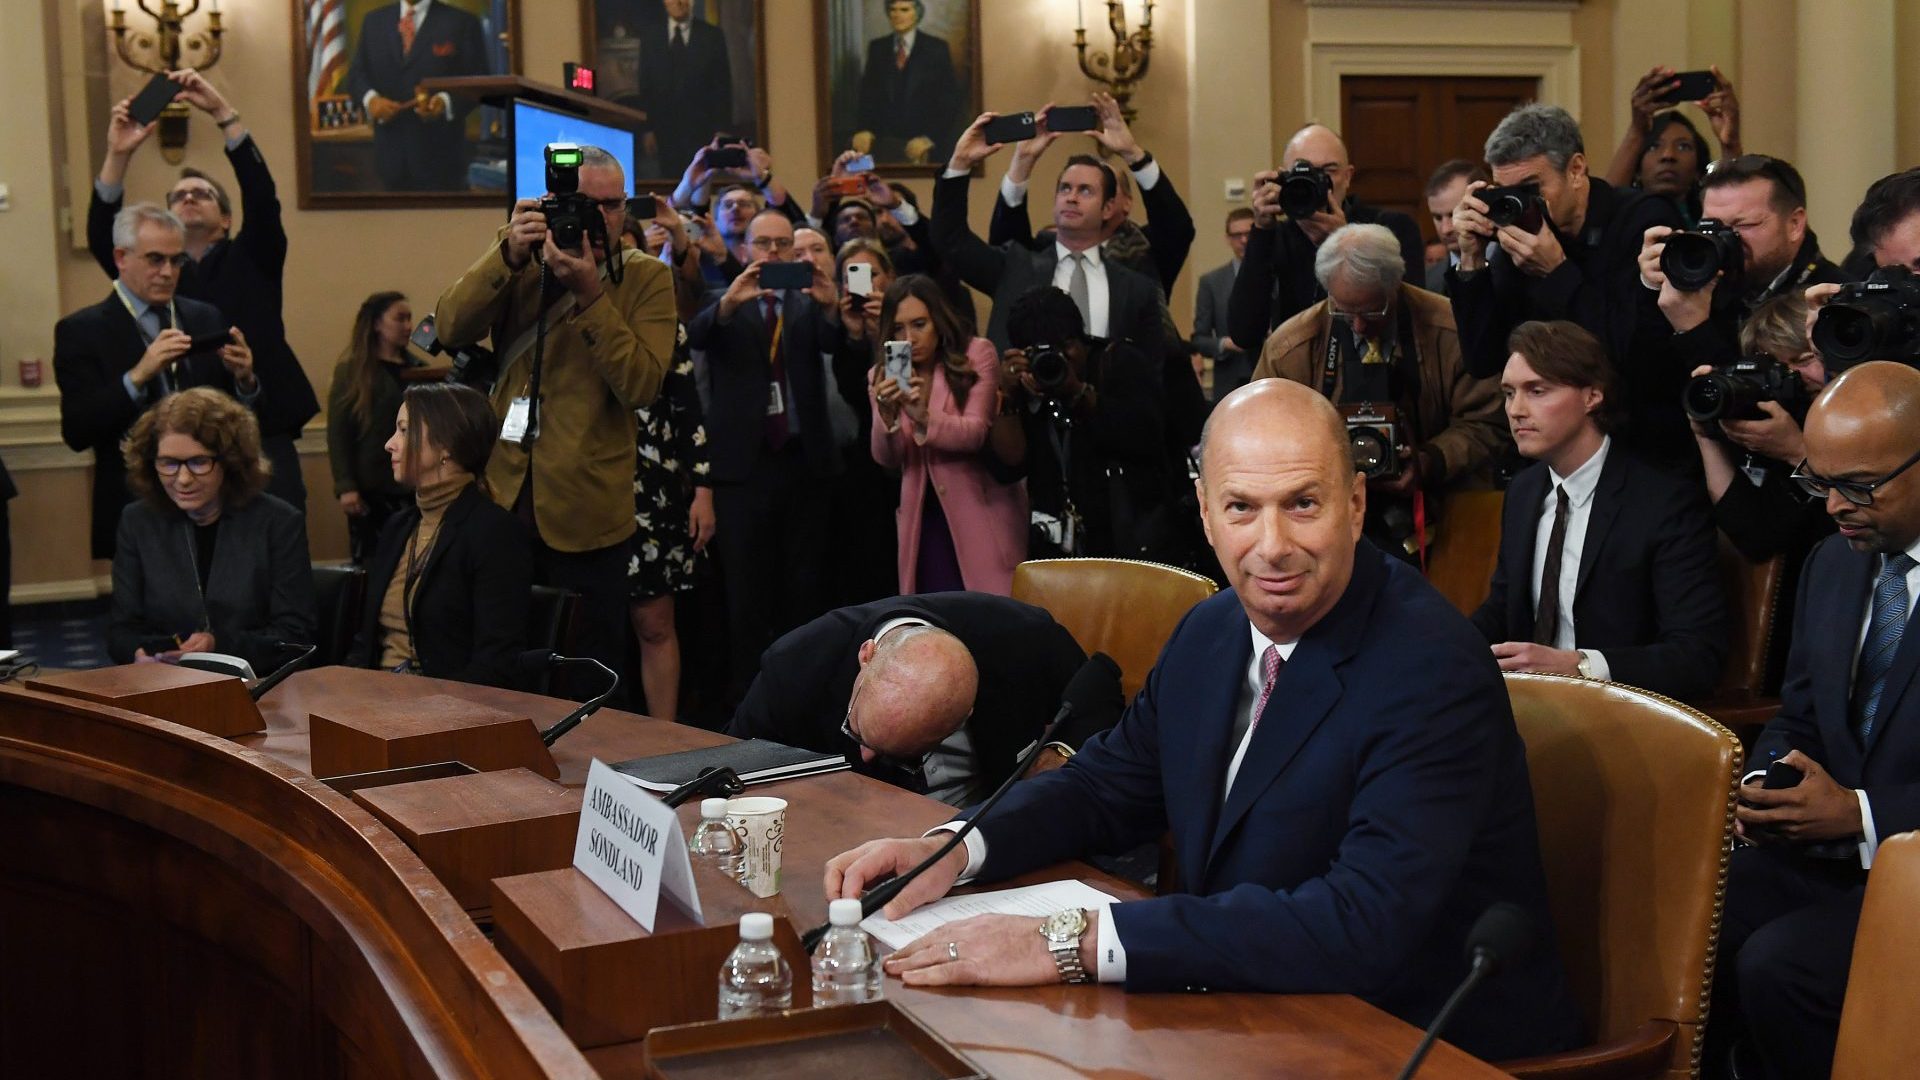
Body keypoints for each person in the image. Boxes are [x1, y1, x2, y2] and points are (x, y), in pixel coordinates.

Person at [823, 378, 1583, 1062]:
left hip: (1416, 1042)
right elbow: (1105, 787)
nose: (1272, 546)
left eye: (1304, 504)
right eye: (1242, 509)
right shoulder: (1212, 630)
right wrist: (954, 850)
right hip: (1252, 1013)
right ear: (1207, 514)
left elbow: (1362, 925)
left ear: (1355, 507)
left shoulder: (1430, 667)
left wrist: (1069, 942)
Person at [1706, 361, 1920, 1080]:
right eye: (1818, 482)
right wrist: (1766, 786)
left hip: (1912, 868)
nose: (1832, 507)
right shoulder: (1833, 564)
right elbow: (1796, 716)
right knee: (1687, 919)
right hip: (1826, 859)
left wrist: (1861, 815)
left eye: (1857, 486)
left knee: (1781, 967)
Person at [435, 145, 676, 705]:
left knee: (586, 671)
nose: (593, 218)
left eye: (609, 206)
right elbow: (448, 325)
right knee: (502, 663)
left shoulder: (643, 280)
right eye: (577, 204)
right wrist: (507, 254)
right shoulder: (518, 262)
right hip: (502, 501)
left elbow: (641, 385)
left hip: (588, 512)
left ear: (624, 209)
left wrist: (591, 295)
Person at [89, 70, 320, 512]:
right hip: (183, 437)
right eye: (178, 196)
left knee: (276, 546)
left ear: (227, 219)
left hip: (261, 422)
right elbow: (105, 234)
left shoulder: (254, 256)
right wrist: (118, 154)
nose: (189, 197)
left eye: (202, 193)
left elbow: (262, 197)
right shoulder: (154, 275)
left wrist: (222, 112)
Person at [1472, 321, 1727, 700]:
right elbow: (1503, 606)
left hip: (1625, 715)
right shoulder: (1525, 491)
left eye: (1537, 391)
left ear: (1593, 396)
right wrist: (1441, 643)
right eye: (1509, 393)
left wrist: (1580, 667)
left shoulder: (1663, 502)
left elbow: (1696, 656)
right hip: (1531, 708)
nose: (1516, 410)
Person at [1251, 224, 1507, 561]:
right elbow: (1261, 435)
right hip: (1325, 519)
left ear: (1395, 286)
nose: (1357, 325)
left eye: (1372, 311)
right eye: (1343, 311)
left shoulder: (1451, 331)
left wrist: (1429, 460)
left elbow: (1489, 422)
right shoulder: (1292, 348)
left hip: (1442, 513)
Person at [1449, 104, 1687, 459]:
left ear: (1576, 170)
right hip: (1549, 452)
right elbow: (1482, 360)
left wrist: (1556, 272)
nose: (1520, 205)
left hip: (1640, 442)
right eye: (1506, 193)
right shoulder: (1520, 233)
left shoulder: (1642, 219)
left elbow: (1631, 358)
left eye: (1531, 188)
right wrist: (1471, 260)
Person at [728, 593, 1120, 806]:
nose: (863, 756)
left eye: (906, 755)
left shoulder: (1022, 640)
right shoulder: (796, 666)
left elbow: (1100, 693)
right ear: (867, 656)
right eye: (856, 726)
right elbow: (729, 772)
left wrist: (1059, 753)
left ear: (965, 713)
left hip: (980, 840)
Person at [687, 208, 844, 701]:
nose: (773, 254)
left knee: (803, 590)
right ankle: (747, 702)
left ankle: (801, 697)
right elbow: (696, 337)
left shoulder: (806, 304)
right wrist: (730, 303)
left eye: (783, 246)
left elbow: (837, 344)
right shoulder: (723, 301)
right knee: (745, 596)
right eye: (764, 245)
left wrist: (831, 306)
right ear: (745, 250)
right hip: (742, 471)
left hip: (802, 465)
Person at [56, 204, 261, 561]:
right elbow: (77, 430)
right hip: (136, 501)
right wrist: (138, 376)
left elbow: (236, 414)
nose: (167, 272)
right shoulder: (82, 330)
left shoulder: (202, 316)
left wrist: (245, 380)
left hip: (214, 499)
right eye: (155, 260)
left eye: (176, 261)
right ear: (121, 257)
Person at [109, 388, 316, 673]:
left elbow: (294, 636)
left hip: (257, 687)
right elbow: (120, 631)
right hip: (161, 683)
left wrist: (217, 645)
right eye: (168, 463)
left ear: (230, 461)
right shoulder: (137, 522)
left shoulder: (278, 522)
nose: (182, 479)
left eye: (198, 462)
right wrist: (139, 653)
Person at [932, 112, 1165, 354]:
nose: (1072, 197)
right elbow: (951, 240)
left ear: (1107, 208)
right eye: (1065, 188)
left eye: (1085, 191)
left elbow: (1150, 372)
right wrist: (960, 163)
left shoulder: (1136, 288)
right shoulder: (1014, 267)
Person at [344, 382, 530, 686]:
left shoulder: (494, 533)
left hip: (448, 711)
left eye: (404, 431)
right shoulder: (397, 527)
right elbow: (365, 645)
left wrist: (424, 707)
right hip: (377, 700)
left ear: (446, 446)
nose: (390, 444)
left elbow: (496, 662)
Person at [989, 286, 1171, 561]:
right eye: (1037, 352)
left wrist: (1076, 392)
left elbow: (1148, 438)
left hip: (1127, 544)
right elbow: (1008, 469)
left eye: (1064, 348)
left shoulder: (1119, 362)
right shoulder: (1025, 387)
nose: (1055, 360)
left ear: (1080, 339)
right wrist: (1008, 398)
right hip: (1058, 548)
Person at [870, 275, 1025, 594]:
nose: (909, 337)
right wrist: (887, 418)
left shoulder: (976, 354)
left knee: (988, 624)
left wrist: (923, 416)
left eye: (919, 324)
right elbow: (886, 458)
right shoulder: (882, 374)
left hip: (980, 518)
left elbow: (974, 433)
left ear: (939, 320)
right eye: (898, 328)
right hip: (921, 523)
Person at [1638, 155, 1850, 378]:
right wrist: (1652, 290)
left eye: (1744, 225)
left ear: (1794, 224)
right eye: (1713, 226)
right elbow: (1647, 389)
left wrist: (1695, 331)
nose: (1726, 239)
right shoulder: (1703, 282)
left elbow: (1768, 407)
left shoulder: (1832, 299)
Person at [1226, 124, 1425, 351]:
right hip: (1296, 376)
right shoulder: (1276, 237)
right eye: (1304, 171)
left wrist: (1345, 241)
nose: (1315, 181)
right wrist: (1261, 230)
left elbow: (1411, 322)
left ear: (1348, 176)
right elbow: (1244, 334)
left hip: (1372, 372)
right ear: (1283, 178)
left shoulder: (1393, 228)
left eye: (1328, 171)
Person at [991, 95, 1196, 296]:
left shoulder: (1145, 251)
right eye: (1067, 188)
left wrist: (1133, 155)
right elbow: (1006, 246)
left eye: (1089, 190)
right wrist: (1022, 163)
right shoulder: (1045, 249)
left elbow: (1176, 227)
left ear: (1125, 203)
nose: (1074, 197)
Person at [627, 336, 715, 722]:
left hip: (650, 490)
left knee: (654, 622)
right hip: (577, 491)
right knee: (590, 625)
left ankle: (663, 741)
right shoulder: (557, 302)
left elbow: (688, 408)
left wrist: (703, 490)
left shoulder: (657, 309)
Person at [827, 238, 906, 606]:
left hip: (909, 459)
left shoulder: (912, 325)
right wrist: (856, 335)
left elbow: (901, 391)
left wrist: (883, 333)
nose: (865, 283)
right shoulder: (841, 335)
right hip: (862, 469)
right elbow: (854, 398)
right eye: (853, 276)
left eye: (872, 273)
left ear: (890, 277)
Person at [341, 0, 490, 191]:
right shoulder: (374, 22)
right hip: (386, 163)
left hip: (442, 162)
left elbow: (479, 81)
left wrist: (445, 102)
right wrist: (371, 101)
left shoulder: (462, 22)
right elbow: (356, 77)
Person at [327, 291, 422, 564]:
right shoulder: (353, 372)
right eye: (399, 318)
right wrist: (346, 486)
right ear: (377, 323)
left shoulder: (420, 370)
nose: (408, 326)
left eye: (409, 319)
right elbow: (339, 433)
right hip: (371, 487)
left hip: (412, 485)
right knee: (371, 562)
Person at [1604, 66, 1742, 223]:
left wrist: (1731, 144)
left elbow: (1734, 206)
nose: (1668, 155)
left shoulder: (1709, 217)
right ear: (1637, 170)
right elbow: (1603, 209)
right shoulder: (1622, 221)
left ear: (1698, 170)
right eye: (1654, 146)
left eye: (1683, 146)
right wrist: (1637, 130)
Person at [853, 0, 963, 164]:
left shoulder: (936, 49)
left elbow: (948, 102)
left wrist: (929, 138)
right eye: (893, 10)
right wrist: (864, 130)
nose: (897, 15)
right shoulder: (877, 48)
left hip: (924, 145)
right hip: (884, 143)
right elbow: (867, 97)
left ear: (917, 14)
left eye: (904, 10)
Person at [634, 0, 733, 179]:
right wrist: (647, 129)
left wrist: (722, 131)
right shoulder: (651, 38)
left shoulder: (712, 36)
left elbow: (722, 87)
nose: (679, 2)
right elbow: (645, 87)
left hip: (702, 131)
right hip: (663, 132)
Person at [1194, 208, 1255, 400]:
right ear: (1228, 239)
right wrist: (1226, 343)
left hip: (1270, 374)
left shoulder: (1278, 276)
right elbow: (1199, 340)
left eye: (1249, 233)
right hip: (1229, 380)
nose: (1244, 240)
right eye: (1237, 235)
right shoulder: (1211, 282)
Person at [1424, 159, 1488, 297]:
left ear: (1482, 204)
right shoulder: (1427, 280)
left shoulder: (1519, 267)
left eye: (1454, 214)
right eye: (1437, 218)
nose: (1445, 230)